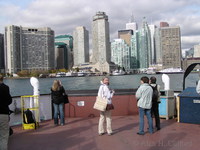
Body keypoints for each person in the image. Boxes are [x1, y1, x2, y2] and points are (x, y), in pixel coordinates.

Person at [0, 74, 12, 150]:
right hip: (3, 113)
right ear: (2, 79)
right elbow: (9, 100)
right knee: (4, 136)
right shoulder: (5, 87)